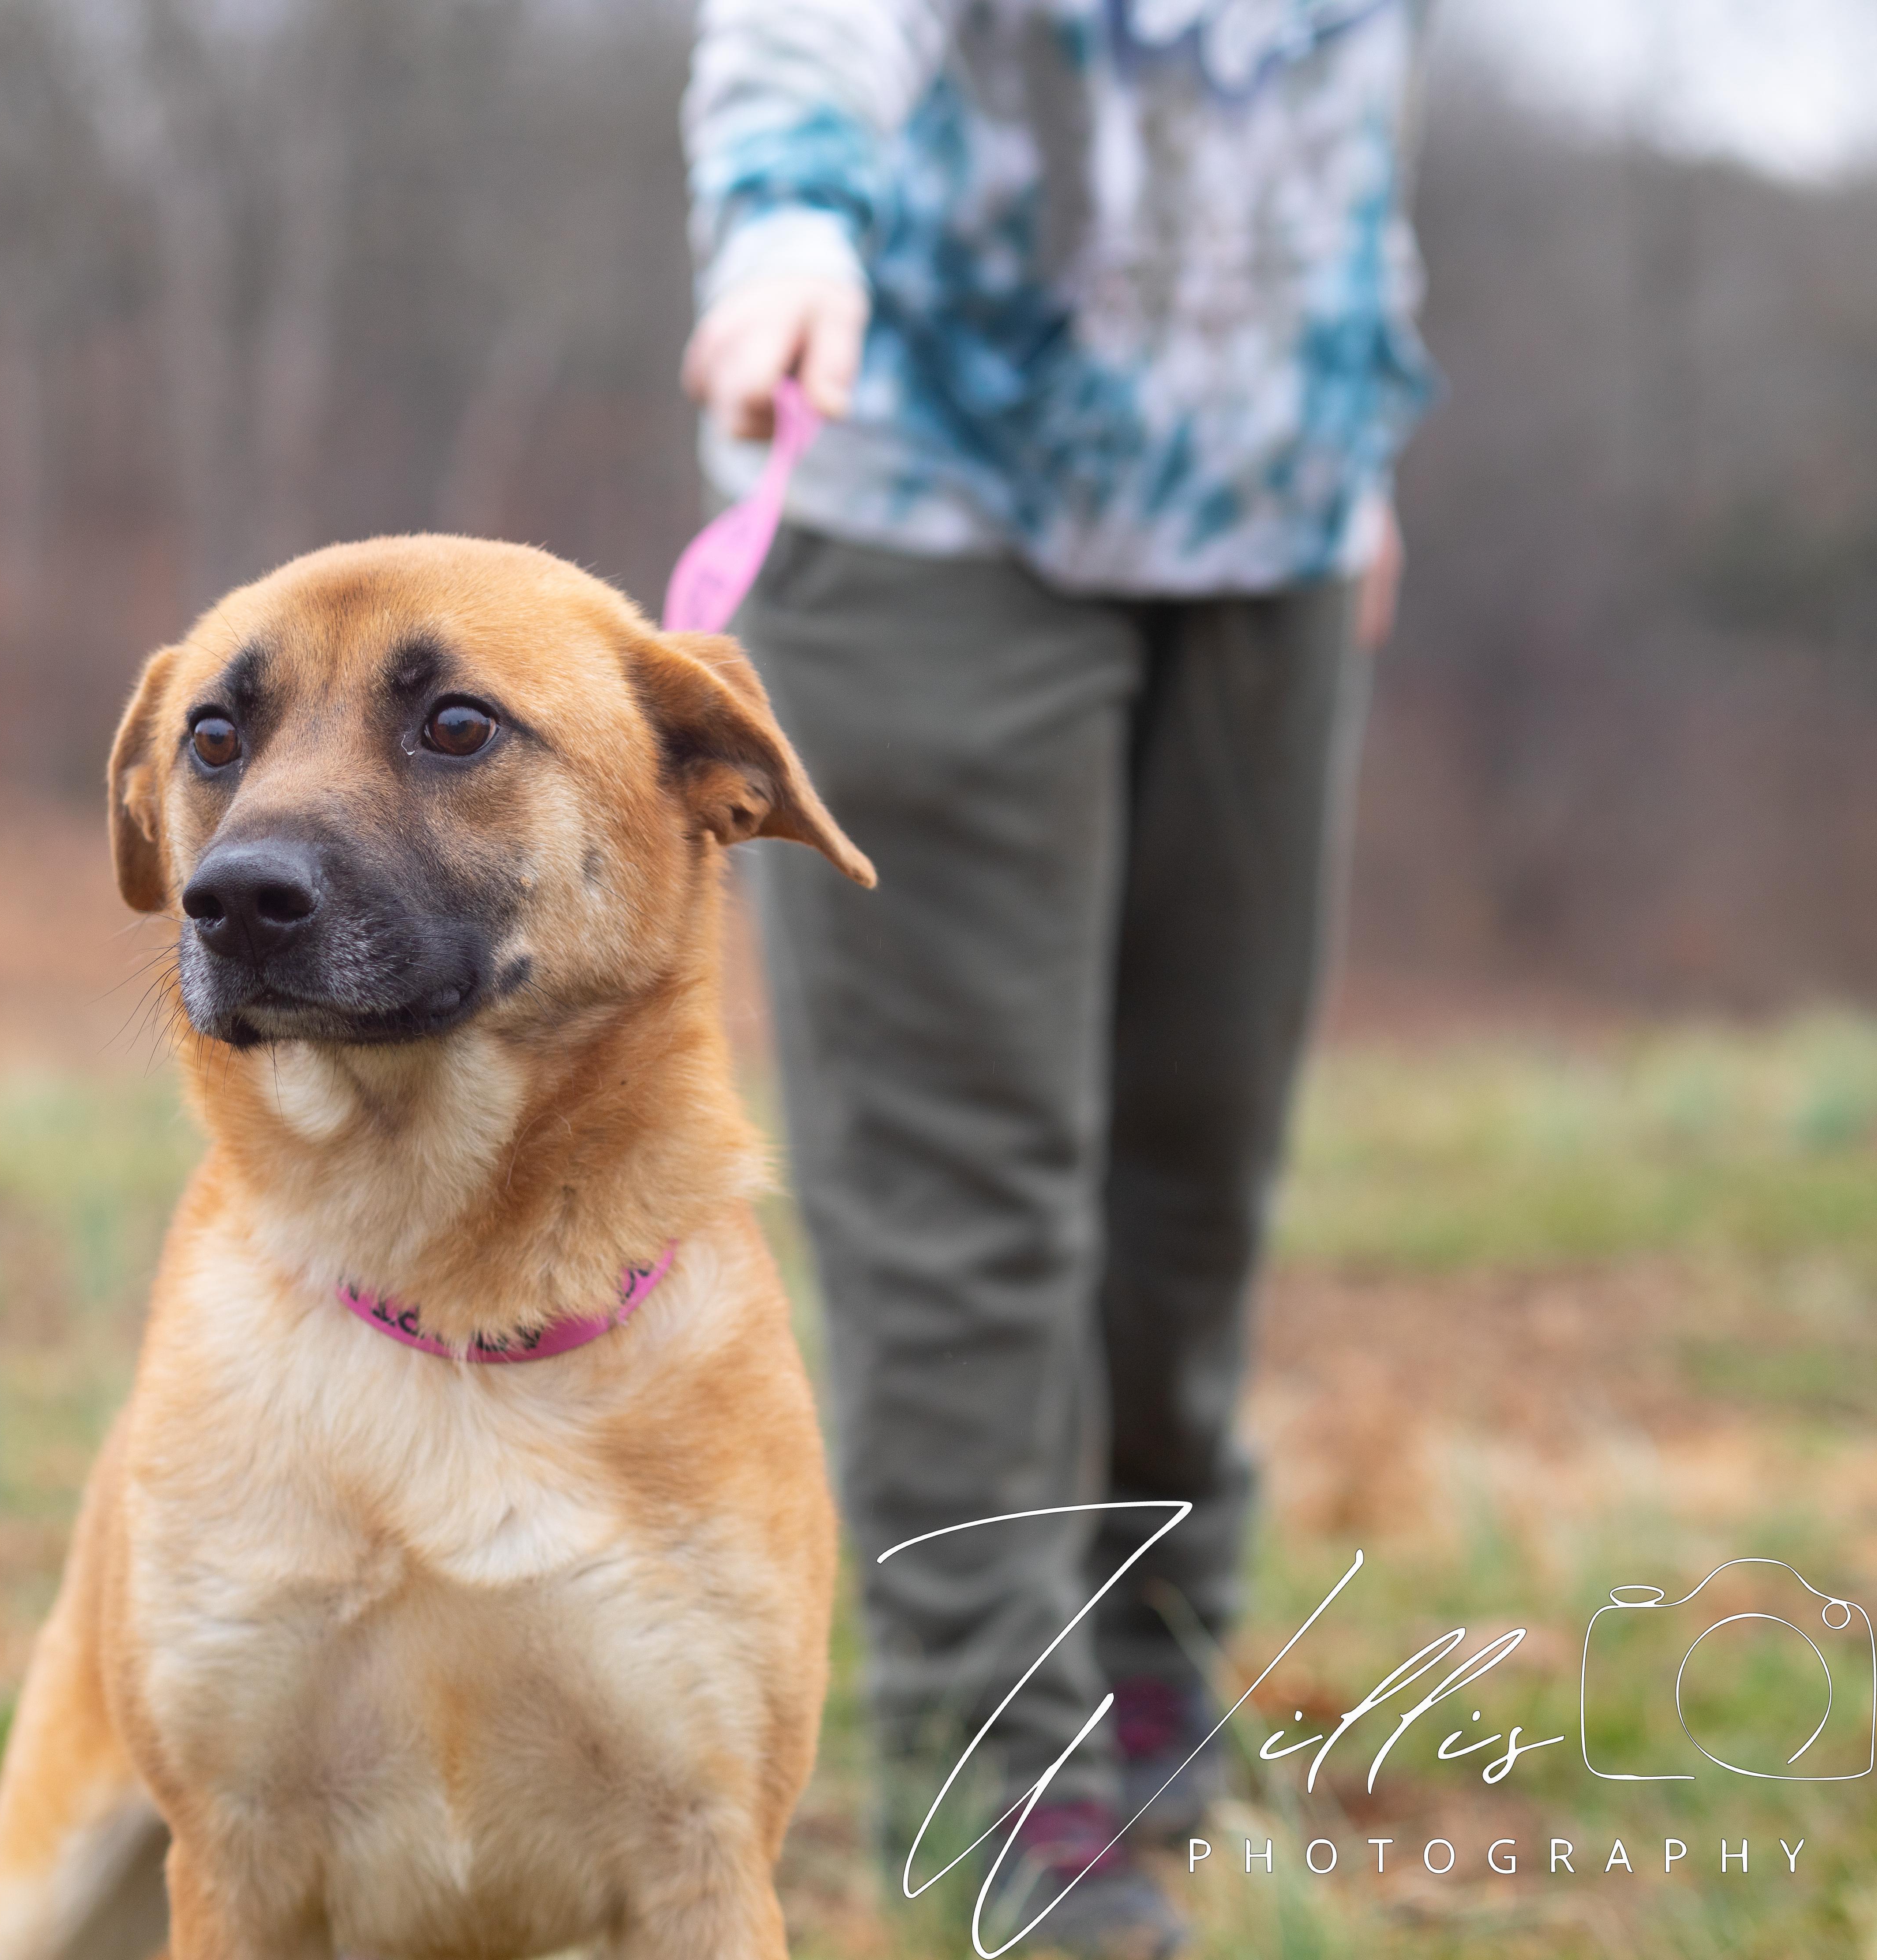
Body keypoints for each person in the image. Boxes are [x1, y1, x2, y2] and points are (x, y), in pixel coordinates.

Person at [678, 3, 1434, 1953]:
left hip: (1271, 525)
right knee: (968, 1196)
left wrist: (1354, 423)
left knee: (1200, 1159)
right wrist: (785, 226)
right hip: (927, 489)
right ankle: (1003, 1790)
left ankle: (1157, 1659)